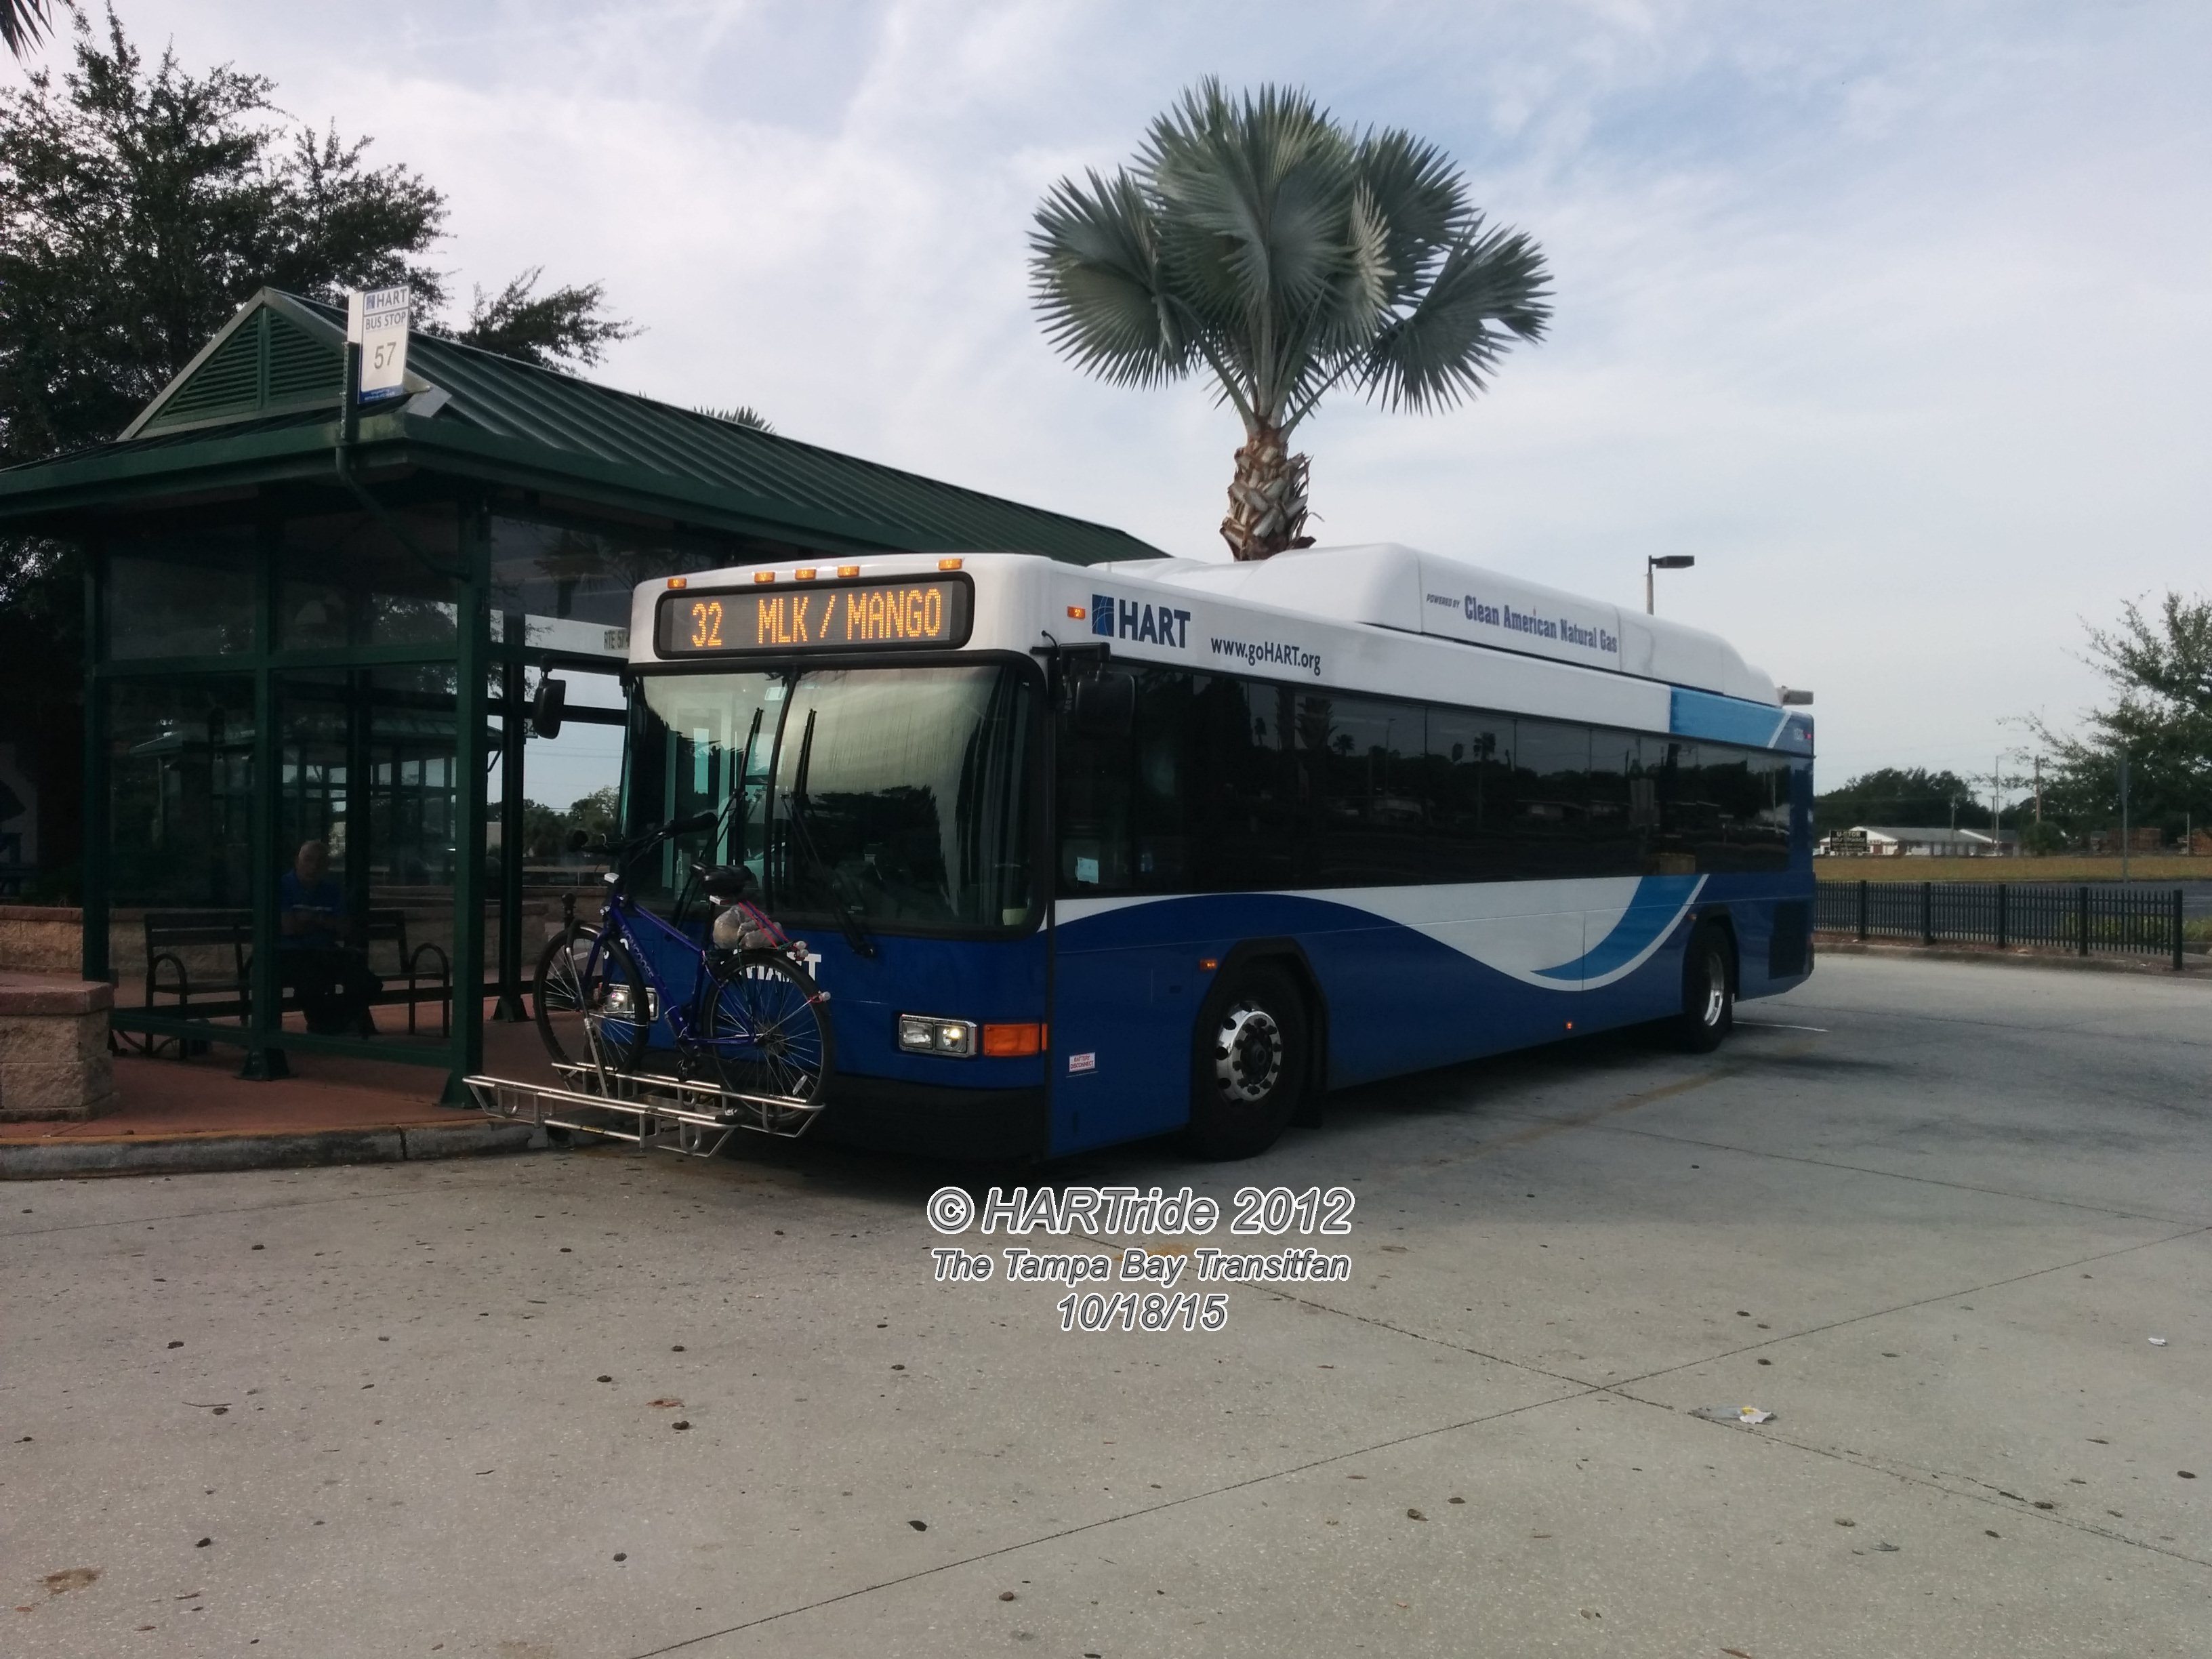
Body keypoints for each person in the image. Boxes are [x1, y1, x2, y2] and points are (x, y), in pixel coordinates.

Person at [278, 840, 383, 1037]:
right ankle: (328, 1024)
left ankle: (331, 1023)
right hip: (291, 953)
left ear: (327, 866)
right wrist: (327, 922)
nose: (313, 867)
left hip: (326, 952)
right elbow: (290, 928)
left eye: (320, 862)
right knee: (312, 981)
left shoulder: (331, 890)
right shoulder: (282, 886)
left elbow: (344, 929)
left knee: (369, 983)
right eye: (308, 860)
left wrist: (312, 919)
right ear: (297, 861)